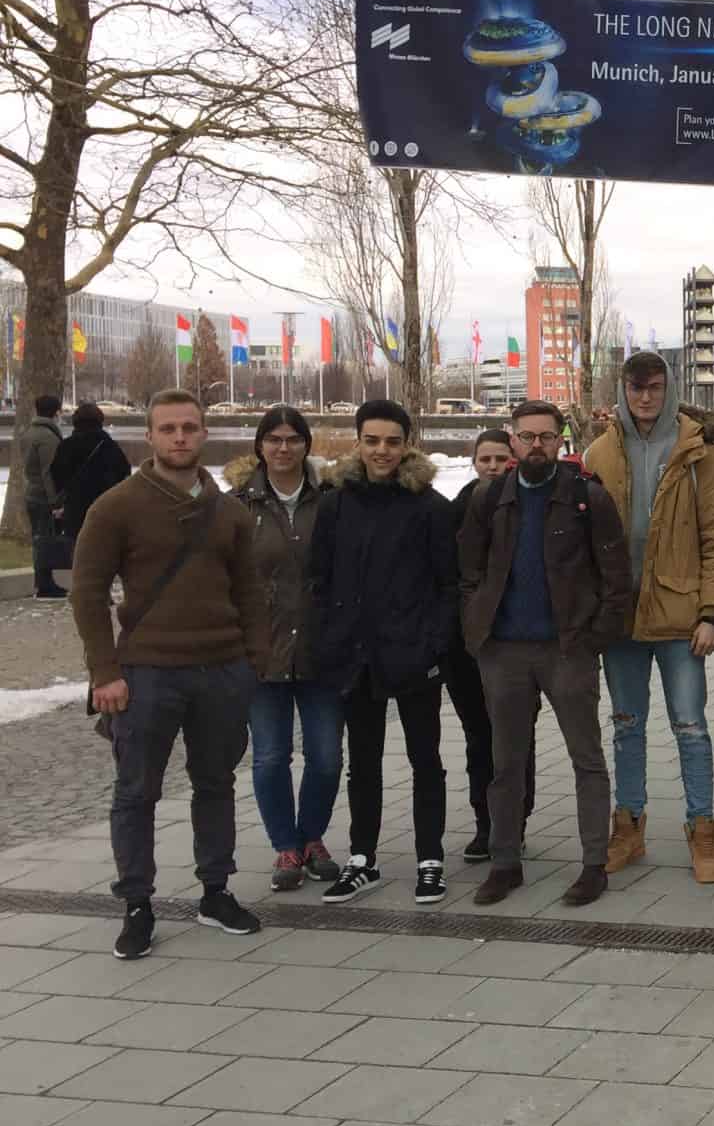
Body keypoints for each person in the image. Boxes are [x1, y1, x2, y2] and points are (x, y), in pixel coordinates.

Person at [71, 389, 268, 958]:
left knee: (216, 783)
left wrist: (253, 663)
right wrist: (104, 672)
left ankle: (216, 891)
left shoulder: (229, 512)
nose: (179, 437)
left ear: (203, 433)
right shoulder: (115, 507)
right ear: (150, 437)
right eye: (168, 428)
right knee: (136, 792)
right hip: (147, 674)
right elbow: (87, 593)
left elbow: (250, 592)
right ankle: (137, 903)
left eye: (189, 427)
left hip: (221, 671)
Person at [458, 399, 631, 906]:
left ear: (560, 441)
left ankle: (594, 865)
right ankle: (504, 862)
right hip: (504, 651)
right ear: (512, 439)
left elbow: (616, 577)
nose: (537, 445)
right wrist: (477, 626)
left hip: (568, 649)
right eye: (528, 436)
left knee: (586, 758)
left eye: (546, 436)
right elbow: (468, 570)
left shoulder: (587, 497)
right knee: (506, 762)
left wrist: (594, 637)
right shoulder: (489, 498)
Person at [584, 351, 714, 882]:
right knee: (626, 725)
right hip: (622, 616)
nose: (645, 397)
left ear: (668, 388)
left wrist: (712, 612)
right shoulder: (600, 453)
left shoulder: (699, 453)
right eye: (636, 388)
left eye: (654, 387)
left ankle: (703, 829)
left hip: (681, 615)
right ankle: (628, 827)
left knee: (691, 726)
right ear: (623, 391)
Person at [311, 400, 457, 906]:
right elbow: (320, 579)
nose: (382, 451)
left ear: (406, 444)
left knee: (425, 759)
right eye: (372, 441)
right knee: (363, 761)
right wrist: (332, 637)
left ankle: (430, 859)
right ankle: (362, 858)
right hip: (357, 657)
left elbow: (448, 585)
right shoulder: (335, 505)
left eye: (392, 442)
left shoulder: (430, 507)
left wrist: (433, 645)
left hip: (414, 656)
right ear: (358, 443)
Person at [227, 407, 344, 892]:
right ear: (259, 446)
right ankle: (286, 846)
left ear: (306, 445)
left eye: (293, 439)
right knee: (271, 757)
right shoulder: (238, 505)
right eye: (273, 439)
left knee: (326, 757)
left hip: (320, 649)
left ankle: (312, 836)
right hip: (263, 650)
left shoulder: (331, 500)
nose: (283, 448)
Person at [448, 429, 534, 863]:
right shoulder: (457, 508)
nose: (494, 467)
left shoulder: (529, 505)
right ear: (474, 462)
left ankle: (514, 822)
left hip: (517, 642)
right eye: (486, 459)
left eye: (502, 459)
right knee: (478, 737)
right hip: (468, 645)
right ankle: (486, 823)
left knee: (517, 737)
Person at [49, 401, 130, 545]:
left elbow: (56, 475)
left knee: (76, 545)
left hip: (75, 507)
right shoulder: (109, 446)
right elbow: (124, 472)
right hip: (104, 506)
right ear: (100, 421)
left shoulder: (67, 446)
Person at [21, 393, 66, 598]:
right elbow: (49, 472)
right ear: (56, 412)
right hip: (42, 496)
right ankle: (44, 584)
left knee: (39, 539)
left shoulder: (29, 432)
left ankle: (43, 581)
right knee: (45, 539)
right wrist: (55, 501)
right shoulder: (48, 437)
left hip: (32, 492)